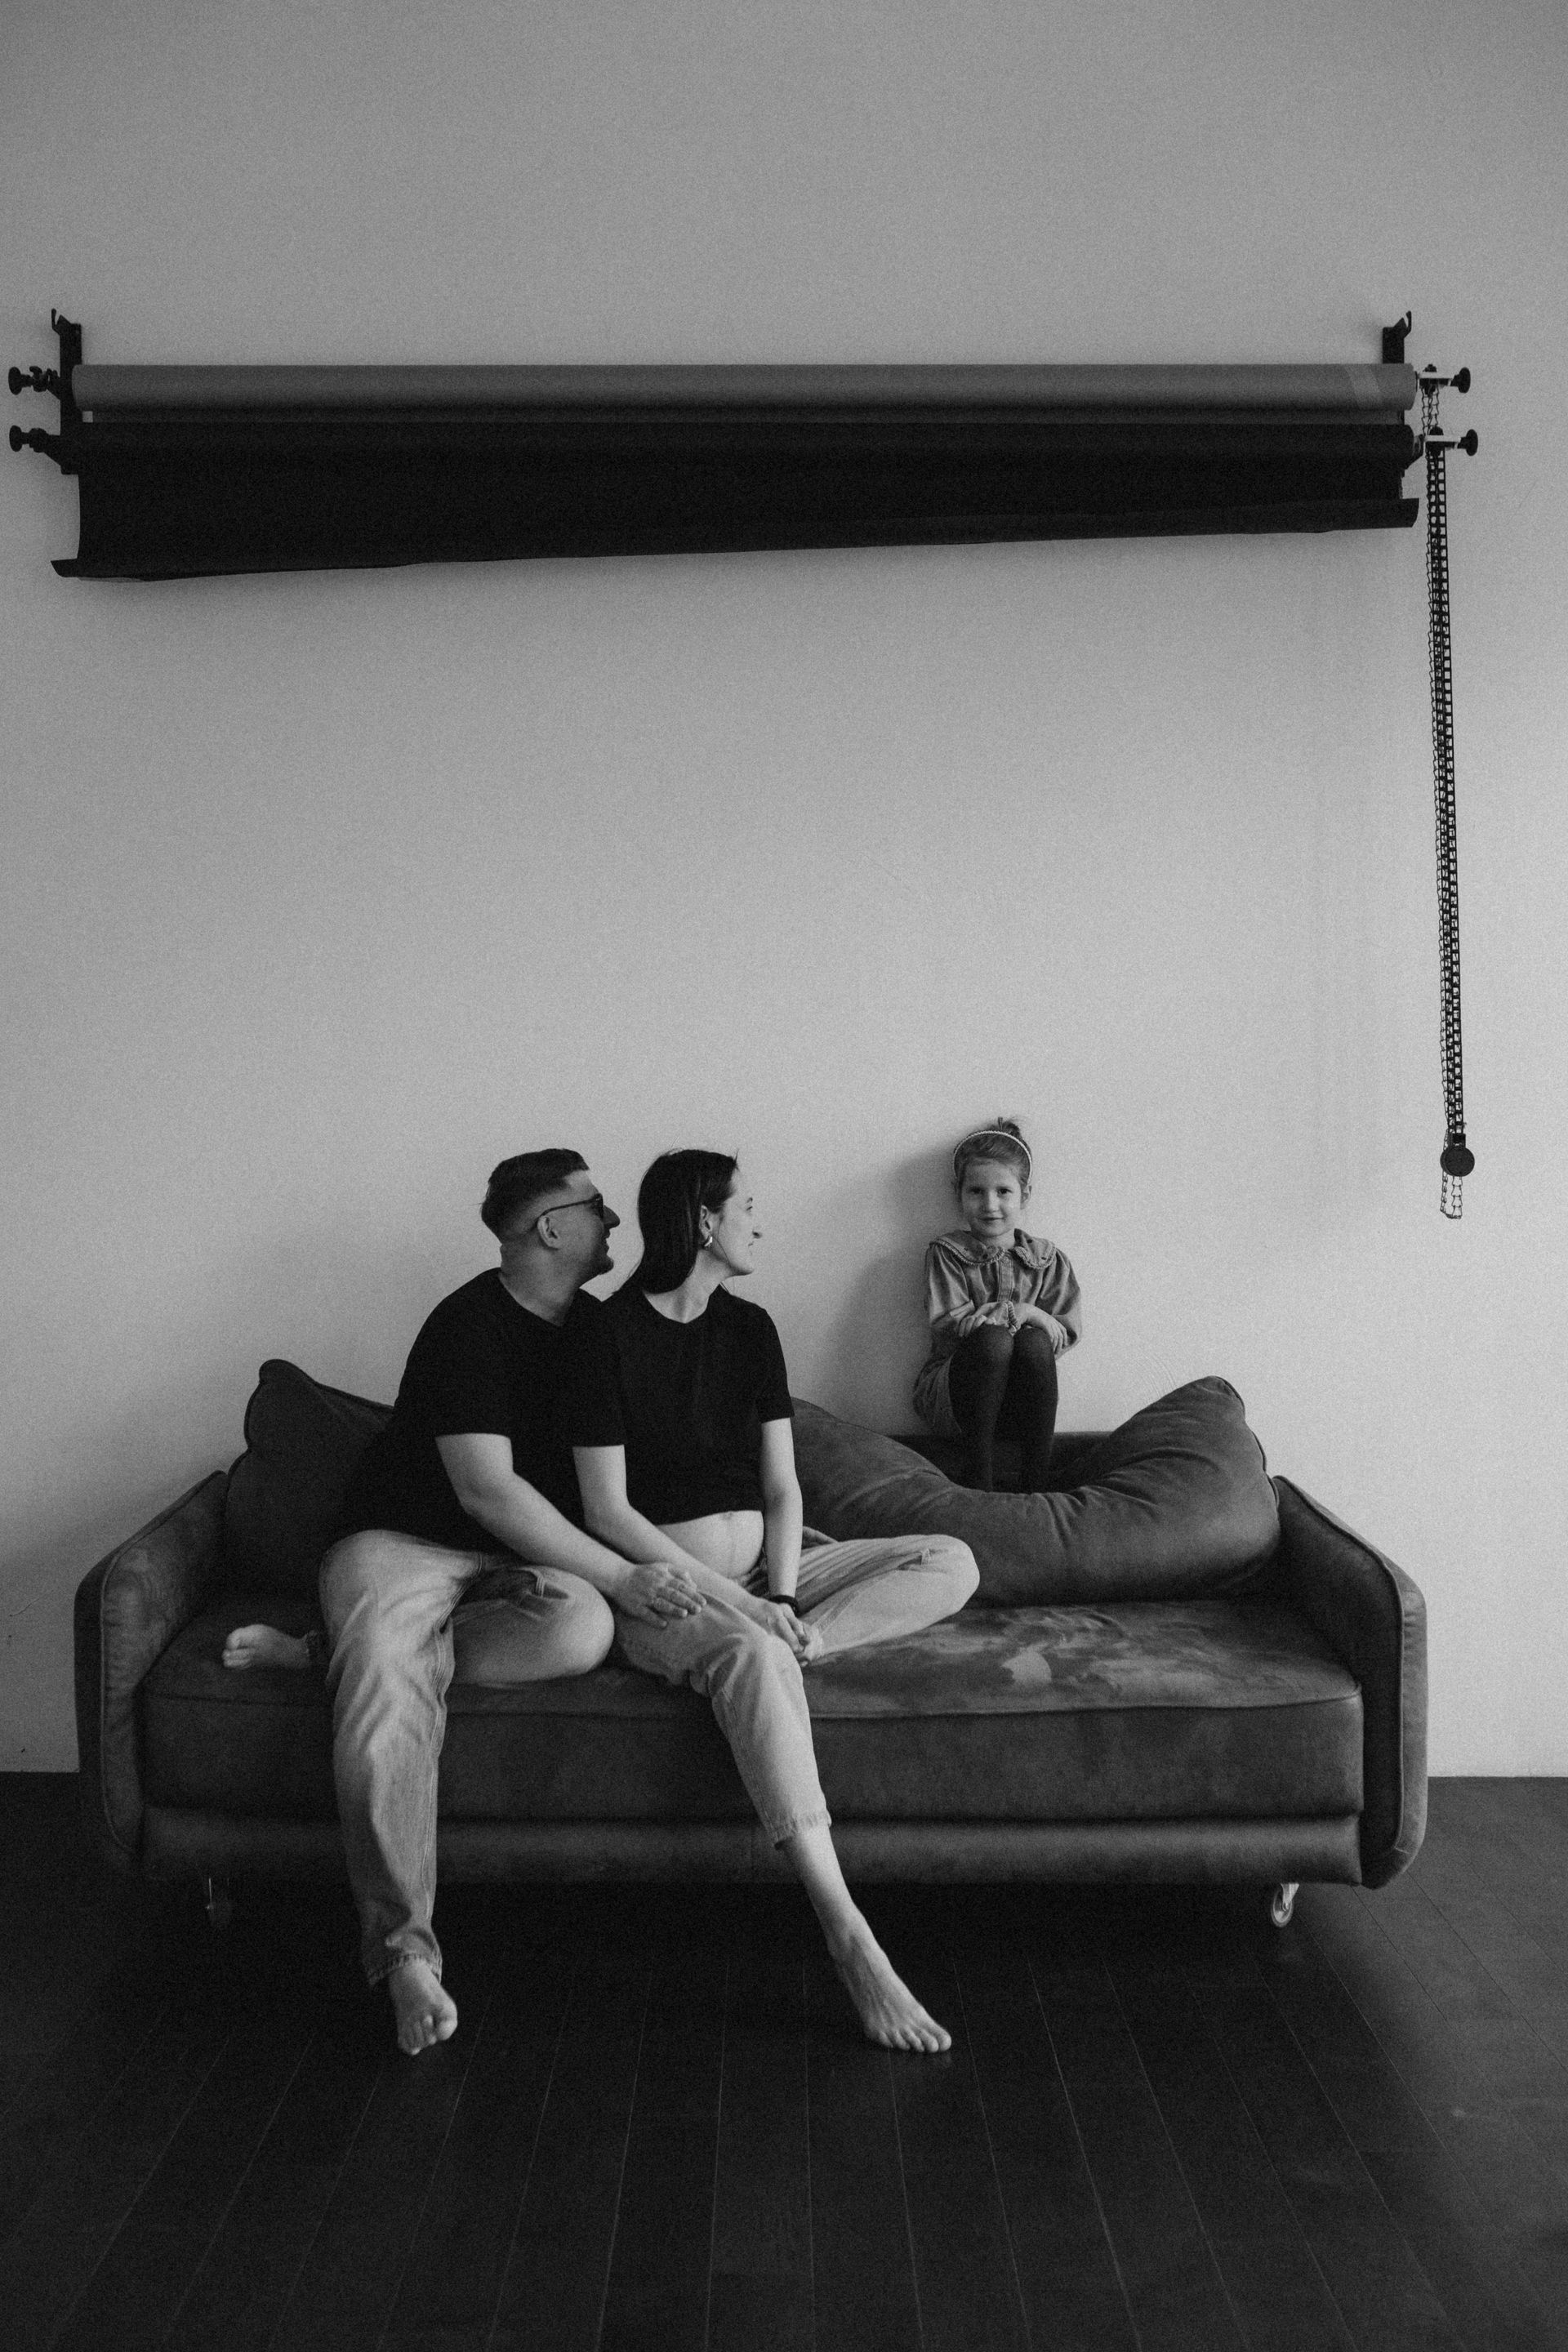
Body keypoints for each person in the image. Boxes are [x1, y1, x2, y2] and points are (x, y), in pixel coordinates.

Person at [223, 1150, 712, 2056]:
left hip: (513, 1576)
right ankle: (404, 1952)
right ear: (552, 1228)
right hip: (401, 1546)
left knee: (583, 1627)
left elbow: (644, 1466)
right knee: (388, 1701)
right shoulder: (466, 1326)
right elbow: (488, 1493)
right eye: (597, 1208)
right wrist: (622, 1571)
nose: (613, 1222)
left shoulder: (597, 1332)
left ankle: (339, 1653)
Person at [561, 1149, 979, 2055]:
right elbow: (606, 1511)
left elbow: (784, 1491)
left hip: (770, 1578)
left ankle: (806, 1645)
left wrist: (783, 1598)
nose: (760, 1222)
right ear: (703, 1222)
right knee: (748, 1654)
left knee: (949, 1560)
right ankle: (850, 1936)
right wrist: (742, 1612)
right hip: (662, 1587)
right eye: (747, 1207)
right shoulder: (602, 1336)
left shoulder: (750, 1329)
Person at [912, 1118, 1081, 1493]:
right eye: (976, 1191)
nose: (990, 1205)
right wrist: (1008, 1314)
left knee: (1034, 1342)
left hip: (1018, 1405)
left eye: (1003, 1191)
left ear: (1025, 1194)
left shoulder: (1048, 1259)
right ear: (959, 1193)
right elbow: (952, 1321)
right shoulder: (947, 1253)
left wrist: (1032, 1313)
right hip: (959, 1399)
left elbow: (1062, 1332)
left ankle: (1037, 1482)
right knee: (993, 1341)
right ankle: (979, 1479)